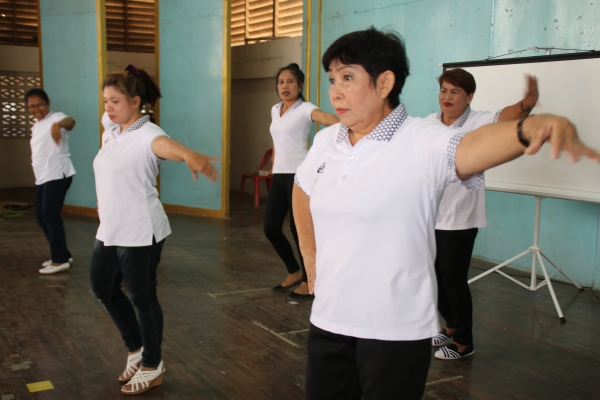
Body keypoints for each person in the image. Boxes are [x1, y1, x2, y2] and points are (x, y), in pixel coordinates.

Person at [292, 28, 599, 400]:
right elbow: (302, 188)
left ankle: (460, 338)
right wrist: (310, 255)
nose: (335, 92)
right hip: (328, 320)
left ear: (384, 82)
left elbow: (471, 148)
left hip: (394, 330)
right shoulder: (328, 140)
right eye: (331, 80)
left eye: (347, 78)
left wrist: (530, 127)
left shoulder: (422, 138)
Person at [90, 65, 218, 395]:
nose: (108, 108)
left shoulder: (149, 135)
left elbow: (166, 146)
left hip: (140, 229)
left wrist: (189, 155)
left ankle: (152, 363)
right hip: (111, 227)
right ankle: (136, 348)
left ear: (136, 102)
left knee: (142, 296)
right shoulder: (112, 129)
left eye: (115, 101)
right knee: (102, 287)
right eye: (105, 101)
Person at [428, 68, 539, 360]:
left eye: (455, 92)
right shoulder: (429, 122)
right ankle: (451, 326)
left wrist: (527, 103)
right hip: (430, 215)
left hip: (460, 218)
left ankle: (464, 343)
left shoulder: (478, 121)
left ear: (469, 96)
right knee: (432, 277)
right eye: (444, 90)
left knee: (453, 280)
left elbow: (507, 116)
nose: (447, 97)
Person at [266, 63, 338, 300]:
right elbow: (276, 140)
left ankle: (310, 281)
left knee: (299, 230)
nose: (284, 86)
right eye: (281, 82)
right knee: (270, 228)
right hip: (279, 175)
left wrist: (349, 129)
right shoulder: (275, 109)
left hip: (299, 177)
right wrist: (273, 163)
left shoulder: (305, 108)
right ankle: (294, 271)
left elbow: (330, 120)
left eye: (290, 81)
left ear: (299, 85)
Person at [26, 88, 76, 275]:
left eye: (39, 104)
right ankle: (63, 254)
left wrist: (58, 125)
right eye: (31, 106)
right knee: (41, 216)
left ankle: (60, 259)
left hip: (57, 174)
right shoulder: (36, 125)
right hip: (43, 177)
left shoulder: (57, 117)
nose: (36, 109)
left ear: (47, 103)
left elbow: (70, 122)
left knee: (49, 216)